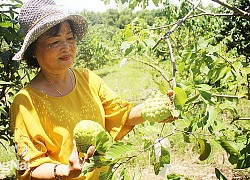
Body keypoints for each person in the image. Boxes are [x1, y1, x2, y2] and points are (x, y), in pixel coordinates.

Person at [10, 0, 174, 179]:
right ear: (34, 50)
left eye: (70, 38)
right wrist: (63, 171)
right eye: (55, 41)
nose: (67, 47)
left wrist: (157, 108)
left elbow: (121, 115)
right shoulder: (25, 102)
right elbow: (27, 165)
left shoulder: (87, 78)